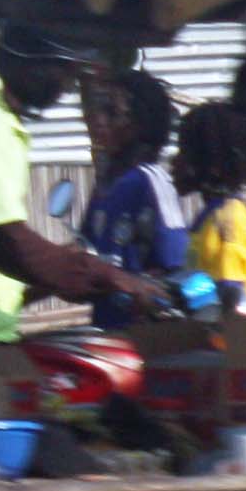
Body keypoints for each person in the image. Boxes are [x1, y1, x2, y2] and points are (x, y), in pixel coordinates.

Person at [0, 27, 173, 350]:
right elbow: (4, 241)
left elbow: (165, 258)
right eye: (64, 72)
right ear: (36, 67)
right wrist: (115, 279)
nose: (66, 87)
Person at [74, 69, 189, 325]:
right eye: (100, 109)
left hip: (145, 338)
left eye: (112, 112)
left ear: (141, 123)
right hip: (108, 334)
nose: (99, 119)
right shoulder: (105, 188)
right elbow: (85, 254)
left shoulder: (151, 180)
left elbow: (176, 265)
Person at [173, 100, 246, 315]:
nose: (175, 162)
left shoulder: (228, 220)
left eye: (184, 153)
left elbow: (230, 296)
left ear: (212, 165)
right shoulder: (209, 218)